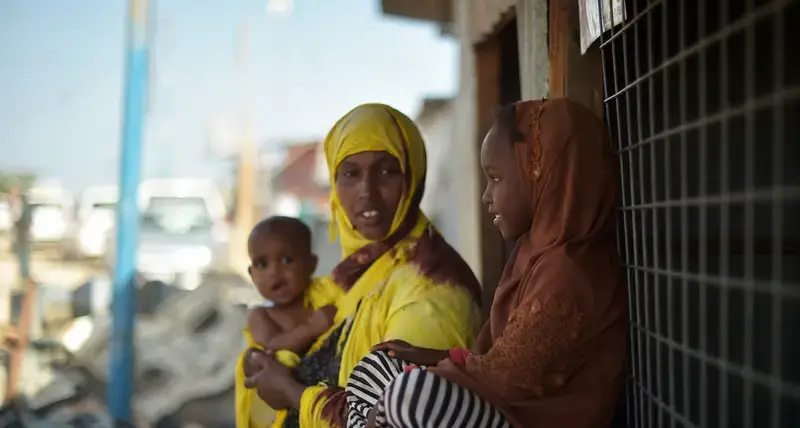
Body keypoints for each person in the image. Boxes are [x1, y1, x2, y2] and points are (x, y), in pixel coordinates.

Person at [344, 98, 627, 428]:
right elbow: (494, 361)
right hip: (500, 407)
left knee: (411, 393)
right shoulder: (532, 254)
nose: (486, 196)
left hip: (527, 419)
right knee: (377, 366)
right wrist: (436, 359)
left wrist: (429, 372)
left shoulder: (571, 272)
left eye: (496, 178)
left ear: (541, 175)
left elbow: (507, 379)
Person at [243, 103, 483, 428]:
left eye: (386, 171)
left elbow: (390, 418)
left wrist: (290, 392)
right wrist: (264, 358)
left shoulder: (434, 289)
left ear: (413, 177)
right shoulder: (358, 273)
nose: (366, 192)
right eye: (350, 174)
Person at [235, 216, 344, 428]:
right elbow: (272, 346)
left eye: (286, 260)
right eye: (262, 264)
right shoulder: (261, 316)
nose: (274, 272)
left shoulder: (323, 298)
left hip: (320, 406)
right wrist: (312, 328)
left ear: (311, 265)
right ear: (251, 273)